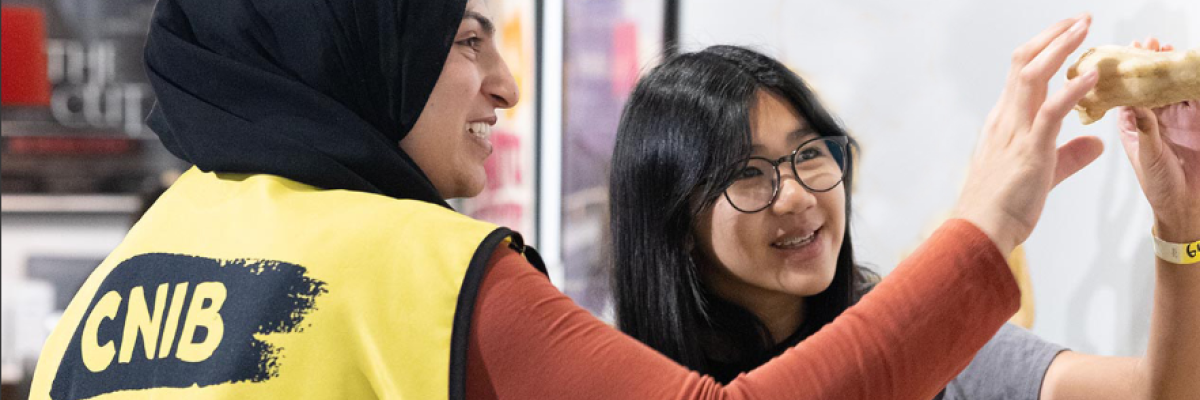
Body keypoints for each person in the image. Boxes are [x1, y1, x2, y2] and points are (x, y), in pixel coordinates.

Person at [28, 1, 1108, 399]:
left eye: (808, 153)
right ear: (356, 51)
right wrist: (988, 226)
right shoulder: (409, 263)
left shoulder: (116, 286)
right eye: (460, 39)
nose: (503, 83)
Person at [610, 31, 1200, 400]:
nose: (795, 195)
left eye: (810, 153)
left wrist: (1181, 223)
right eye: (746, 172)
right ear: (676, 222)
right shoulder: (620, 378)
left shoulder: (922, 329)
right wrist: (981, 225)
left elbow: (1162, 394)